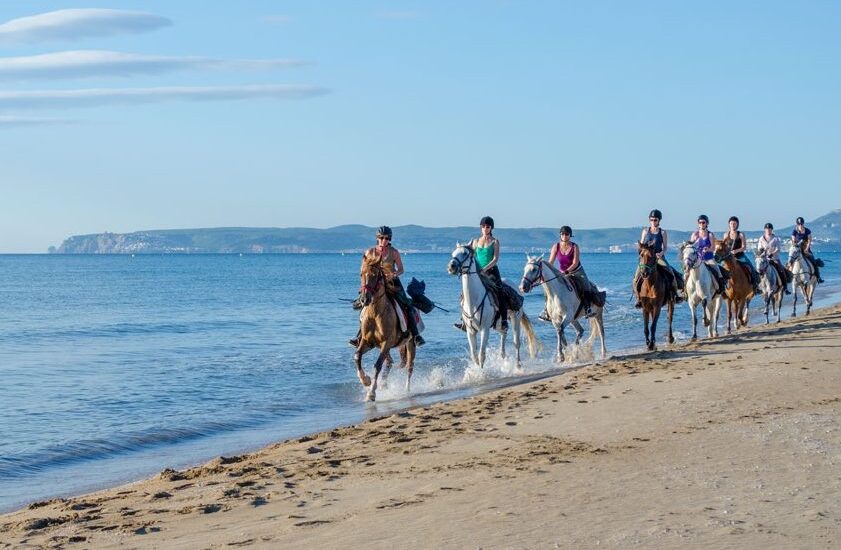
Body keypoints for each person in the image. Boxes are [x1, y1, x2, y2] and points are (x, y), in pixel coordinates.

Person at [349, 226, 425, 347]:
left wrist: (395, 273)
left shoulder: (394, 252)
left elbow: (401, 269)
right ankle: (359, 337)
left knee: (406, 304)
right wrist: (363, 286)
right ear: (377, 238)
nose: (384, 240)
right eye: (382, 238)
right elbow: (363, 270)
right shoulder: (370, 252)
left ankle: (415, 336)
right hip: (375, 283)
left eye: (387, 238)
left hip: (392, 282)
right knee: (364, 307)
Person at [454, 216, 510, 331]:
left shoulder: (495, 242)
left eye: (487, 226)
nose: (485, 228)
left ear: (491, 228)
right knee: (464, 292)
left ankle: (504, 320)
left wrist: (484, 269)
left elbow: (495, 259)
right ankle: (464, 319)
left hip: (491, 271)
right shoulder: (475, 242)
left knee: (500, 291)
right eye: (483, 226)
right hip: (477, 272)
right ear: (481, 227)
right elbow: (471, 256)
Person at [539, 226, 605, 320]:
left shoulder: (574, 246)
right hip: (562, 273)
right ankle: (546, 310)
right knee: (548, 288)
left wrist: (566, 271)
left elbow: (575, 263)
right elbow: (551, 262)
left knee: (586, 286)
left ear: (570, 235)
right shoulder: (556, 246)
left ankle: (588, 309)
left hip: (577, 271)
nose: (565, 236)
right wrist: (548, 272)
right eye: (563, 234)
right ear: (560, 235)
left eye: (567, 234)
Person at [632, 209, 684, 308]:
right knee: (636, 277)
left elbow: (665, 247)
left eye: (655, 220)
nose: (653, 221)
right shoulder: (645, 231)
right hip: (647, 258)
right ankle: (638, 298)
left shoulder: (663, 232)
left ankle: (675, 295)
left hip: (658, 257)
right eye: (651, 220)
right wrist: (642, 251)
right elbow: (641, 246)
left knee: (670, 272)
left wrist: (661, 253)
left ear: (659, 220)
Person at [722, 216, 760, 294]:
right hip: (729, 257)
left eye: (734, 223)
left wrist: (736, 251)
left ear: (737, 224)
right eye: (731, 223)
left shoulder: (741, 234)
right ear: (729, 224)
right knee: (722, 268)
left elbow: (744, 247)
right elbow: (724, 246)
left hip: (740, 256)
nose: (733, 225)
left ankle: (755, 286)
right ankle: (722, 287)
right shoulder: (726, 235)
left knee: (750, 267)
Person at [688, 214, 727, 292]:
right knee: (687, 272)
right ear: (698, 224)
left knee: (718, 271)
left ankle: (721, 287)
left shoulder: (710, 234)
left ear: (707, 223)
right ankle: (685, 291)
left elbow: (713, 248)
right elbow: (691, 247)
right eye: (700, 222)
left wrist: (707, 249)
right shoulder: (695, 234)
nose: (701, 224)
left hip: (709, 258)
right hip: (698, 259)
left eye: (703, 222)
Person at [756, 222, 791, 294]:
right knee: (758, 269)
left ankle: (785, 287)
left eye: (770, 229)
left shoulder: (776, 239)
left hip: (774, 258)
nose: (768, 230)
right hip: (764, 259)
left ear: (772, 230)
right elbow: (759, 248)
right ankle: (757, 287)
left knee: (781, 270)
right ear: (764, 230)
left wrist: (772, 254)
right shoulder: (761, 239)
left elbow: (778, 249)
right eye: (767, 229)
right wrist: (762, 254)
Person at [790, 216, 824, 283]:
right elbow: (793, 241)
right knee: (790, 262)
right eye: (799, 224)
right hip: (797, 250)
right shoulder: (794, 231)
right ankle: (789, 277)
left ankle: (818, 277)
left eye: (801, 224)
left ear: (803, 224)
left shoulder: (807, 231)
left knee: (813, 262)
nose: (800, 225)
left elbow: (809, 241)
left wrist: (807, 249)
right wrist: (796, 246)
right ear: (797, 224)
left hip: (806, 249)